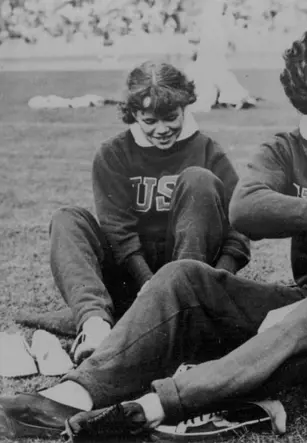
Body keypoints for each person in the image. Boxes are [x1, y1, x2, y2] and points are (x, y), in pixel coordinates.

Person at [0, 24, 307, 441]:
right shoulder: (286, 148)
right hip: (303, 308)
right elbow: (246, 207)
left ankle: (169, 404)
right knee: (183, 277)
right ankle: (70, 397)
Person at [46, 61, 249, 364]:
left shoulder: (208, 150)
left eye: (171, 118)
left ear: (185, 107)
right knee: (67, 218)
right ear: (133, 115)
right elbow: (118, 231)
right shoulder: (113, 152)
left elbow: (239, 224)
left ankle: (185, 315)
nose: (162, 129)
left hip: (190, 278)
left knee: (198, 179)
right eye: (149, 120)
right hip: (131, 279)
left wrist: (219, 280)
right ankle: (95, 325)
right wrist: (148, 286)